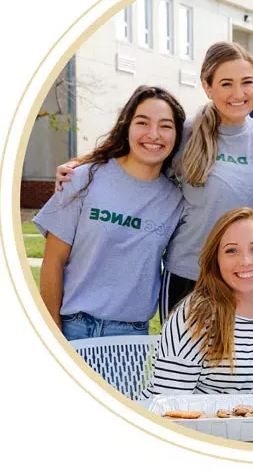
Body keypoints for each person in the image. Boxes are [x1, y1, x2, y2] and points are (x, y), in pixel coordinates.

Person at [55, 42, 253, 322]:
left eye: (247, 82)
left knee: (244, 364)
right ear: (207, 87)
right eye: (226, 83)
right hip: (190, 278)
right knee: (183, 365)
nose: (238, 93)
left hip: (249, 276)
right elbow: (132, 152)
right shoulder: (186, 134)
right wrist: (79, 165)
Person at [34, 86, 186, 340]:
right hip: (75, 328)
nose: (153, 134)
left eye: (165, 126)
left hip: (133, 336)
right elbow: (52, 262)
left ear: (178, 135)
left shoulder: (177, 199)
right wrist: (52, 332)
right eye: (142, 122)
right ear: (127, 127)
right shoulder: (82, 178)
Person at [140, 207, 253, 398]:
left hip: (252, 426)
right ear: (216, 259)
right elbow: (168, 403)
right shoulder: (196, 315)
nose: (245, 261)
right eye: (231, 250)